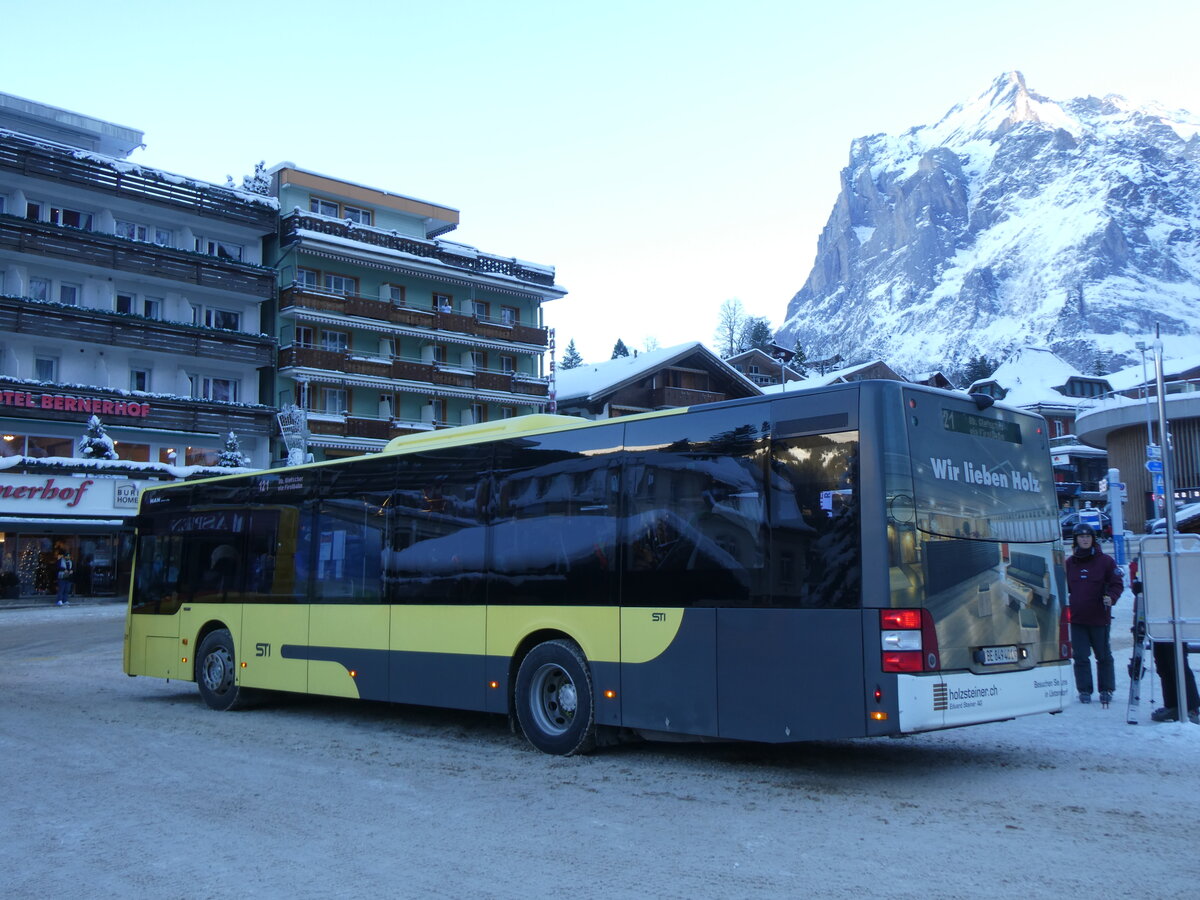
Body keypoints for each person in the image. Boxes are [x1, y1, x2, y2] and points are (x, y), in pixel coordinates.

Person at [1064, 523, 1122, 705]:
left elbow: (1117, 584)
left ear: (1093, 539)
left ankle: (1106, 689)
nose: (1084, 539)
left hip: (1099, 617)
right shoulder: (1069, 563)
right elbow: (1062, 585)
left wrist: (1111, 597)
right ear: (1076, 540)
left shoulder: (1105, 561)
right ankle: (1084, 690)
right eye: (1081, 537)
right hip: (1077, 618)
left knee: (1103, 655)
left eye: (1088, 537)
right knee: (1080, 656)